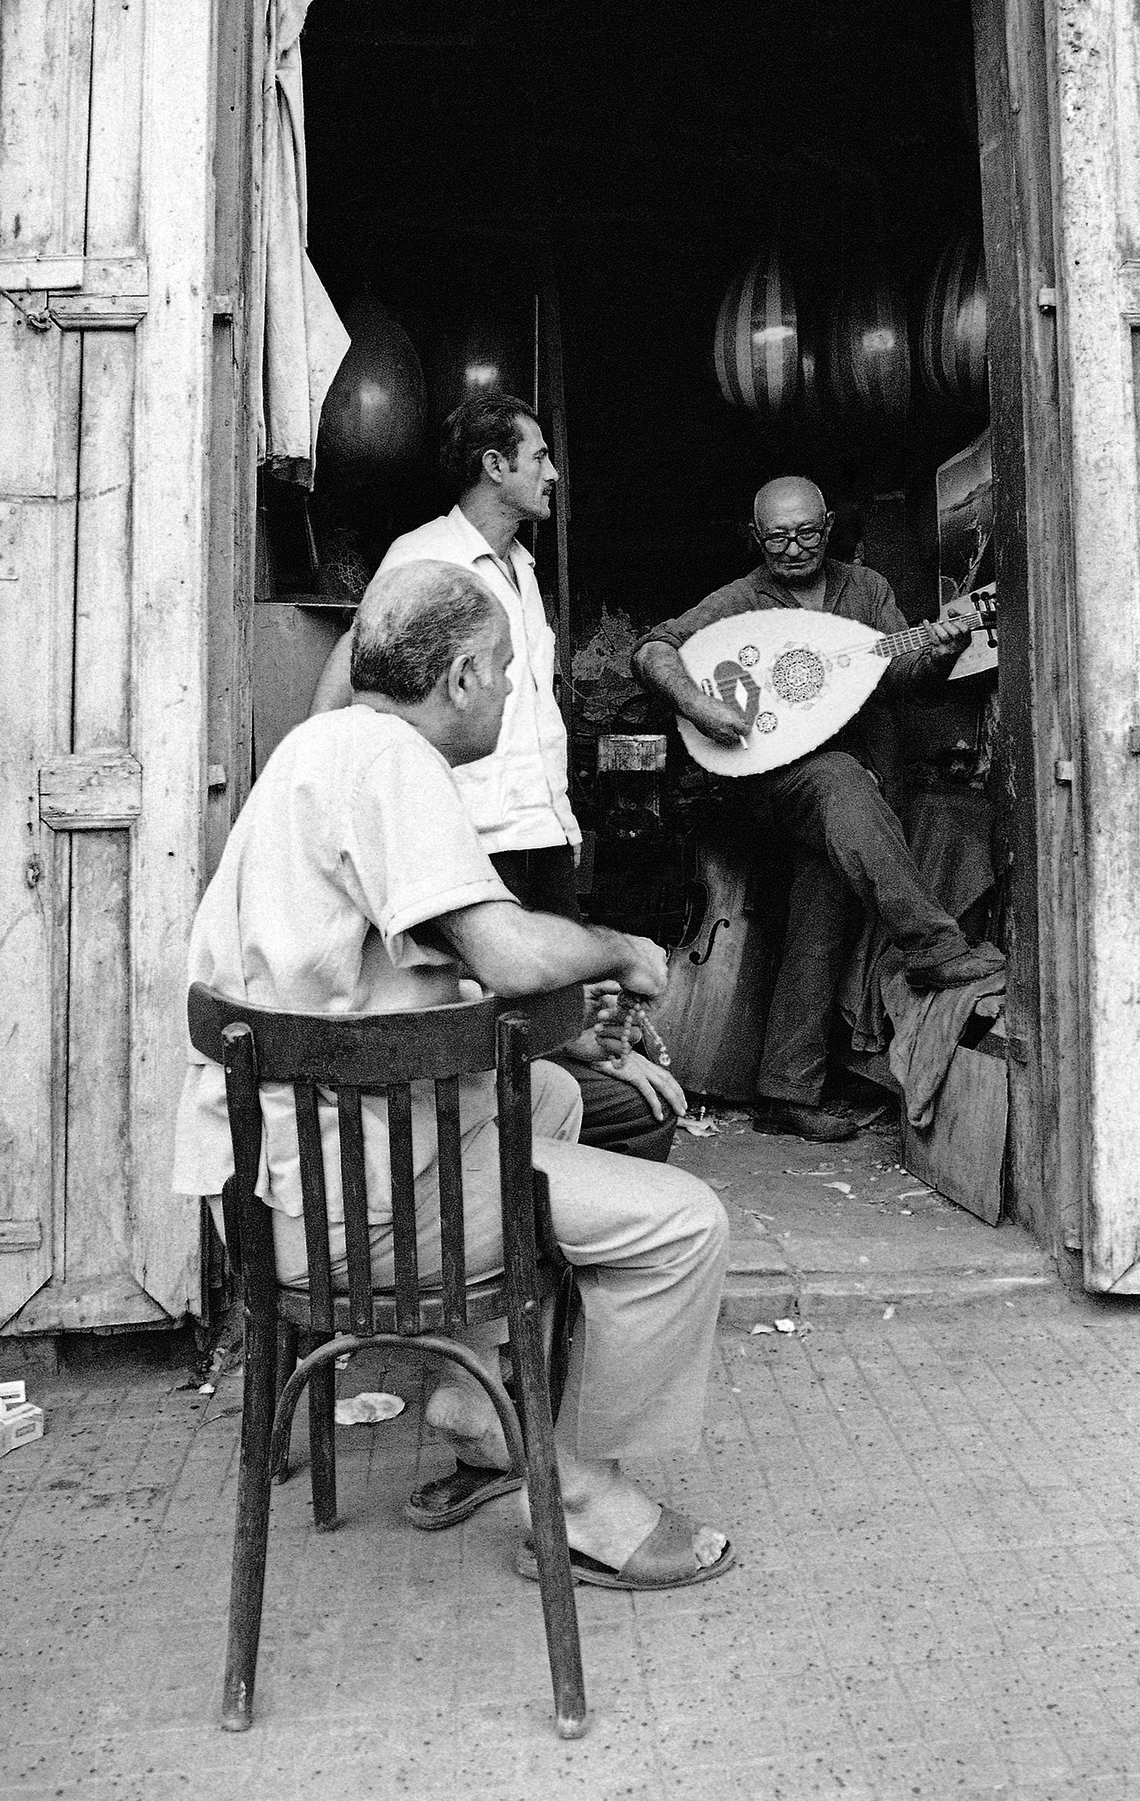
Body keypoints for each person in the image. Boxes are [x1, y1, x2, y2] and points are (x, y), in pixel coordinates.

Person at [175, 561, 733, 1589]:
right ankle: (580, 1497)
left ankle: (479, 1408)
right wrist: (621, 949)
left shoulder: (317, 749)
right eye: (512, 672)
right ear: (467, 675)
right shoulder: (393, 765)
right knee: (684, 1223)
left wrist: (559, 1023)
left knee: (556, 1096)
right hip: (346, 1214)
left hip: (264, 1188)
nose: (518, 691)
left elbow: (425, 963)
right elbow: (510, 955)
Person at [313, 392, 684, 1163]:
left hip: (538, 828)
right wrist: (328, 764)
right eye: (540, 456)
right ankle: (533, 1200)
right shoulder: (423, 555)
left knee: (572, 1026)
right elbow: (352, 664)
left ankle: (567, 1176)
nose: (552, 472)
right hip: (472, 839)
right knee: (512, 1029)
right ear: (495, 465)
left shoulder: (520, 566)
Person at [633, 474, 1001, 1145]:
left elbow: (901, 675)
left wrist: (938, 649)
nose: (794, 545)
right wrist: (698, 702)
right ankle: (932, 944)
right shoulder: (742, 600)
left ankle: (785, 1087)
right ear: (757, 536)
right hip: (768, 781)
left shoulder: (868, 591)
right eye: (777, 535)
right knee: (837, 778)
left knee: (826, 888)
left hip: (854, 793)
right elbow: (655, 647)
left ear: (829, 525)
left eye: (807, 531)